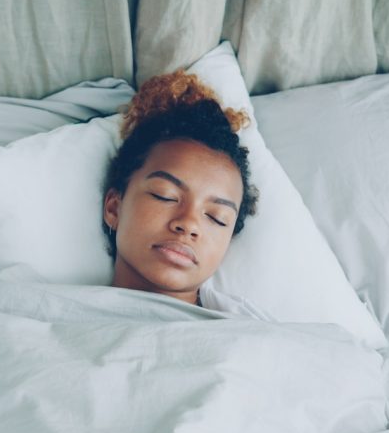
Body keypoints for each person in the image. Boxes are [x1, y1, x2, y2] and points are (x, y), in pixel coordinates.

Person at [102, 70, 269, 319]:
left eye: (216, 218)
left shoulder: (257, 335)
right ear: (114, 208)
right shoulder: (40, 314)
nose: (189, 224)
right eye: (165, 196)